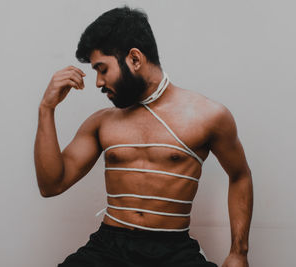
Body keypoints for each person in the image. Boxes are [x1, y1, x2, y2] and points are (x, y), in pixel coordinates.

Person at [34, 6, 253, 267]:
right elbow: (51, 185)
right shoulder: (102, 123)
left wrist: (239, 252)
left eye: (102, 69)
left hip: (173, 248)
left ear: (135, 59)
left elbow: (240, 175)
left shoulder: (208, 116)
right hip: (109, 246)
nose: (98, 83)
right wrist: (46, 109)